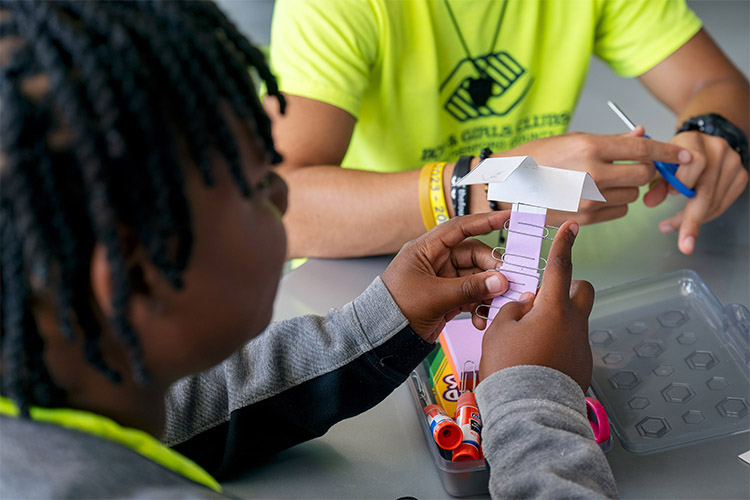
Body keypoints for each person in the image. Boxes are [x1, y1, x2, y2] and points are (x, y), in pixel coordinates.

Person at [0, 1, 616, 498]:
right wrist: (535, 401)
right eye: (258, 185)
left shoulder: (60, 401)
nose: (282, 193)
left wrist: (384, 318)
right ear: (138, 278)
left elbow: (194, 412)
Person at [264, 0, 749, 259]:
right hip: (374, 262)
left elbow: (717, 82)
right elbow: (281, 207)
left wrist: (714, 135)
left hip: (524, 261)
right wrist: (497, 186)